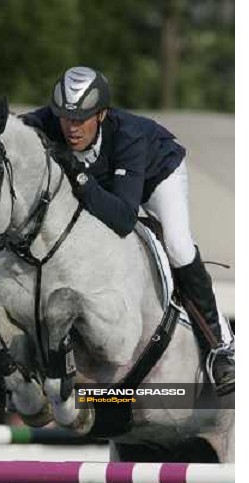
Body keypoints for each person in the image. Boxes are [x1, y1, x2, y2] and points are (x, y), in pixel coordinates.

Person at [21, 66, 234, 396]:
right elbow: (7, 133)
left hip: (156, 176)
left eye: (82, 119)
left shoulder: (129, 136)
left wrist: (78, 177)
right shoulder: (48, 122)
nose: (71, 127)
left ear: (102, 113)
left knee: (177, 245)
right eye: (65, 117)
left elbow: (122, 217)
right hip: (106, 185)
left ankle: (221, 347)